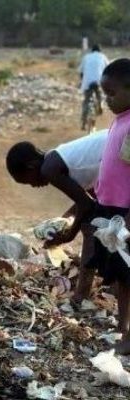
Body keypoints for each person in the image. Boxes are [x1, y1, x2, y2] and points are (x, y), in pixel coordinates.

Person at [6, 130, 108, 304]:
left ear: (31, 166)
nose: (33, 186)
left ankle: (81, 295)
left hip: (120, 150)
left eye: (28, 181)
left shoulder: (49, 169)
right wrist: (63, 221)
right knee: (106, 223)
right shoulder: (58, 159)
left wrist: (68, 235)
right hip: (118, 149)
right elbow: (91, 198)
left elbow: (86, 206)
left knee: (89, 228)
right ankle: (112, 285)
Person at [86, 58, 130, 354]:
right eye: (105, 94)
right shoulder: (119, 120)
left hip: (125, 213)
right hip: (110, 209)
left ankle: (128, 334)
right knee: (118, 274)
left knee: (127, 276)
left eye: (112, 93)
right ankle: (123, 327)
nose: (107, 100)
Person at [79, 44, 109, 130]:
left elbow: (81, 71)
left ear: (91, 50)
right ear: (100, 50)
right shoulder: (102, 56)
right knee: (100, 95)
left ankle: (83, 122)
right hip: (99, 81)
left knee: (86, 101)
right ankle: (100, 105)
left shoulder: (86, 57)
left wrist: (82, 81)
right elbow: (108, 69)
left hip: (87, 82)